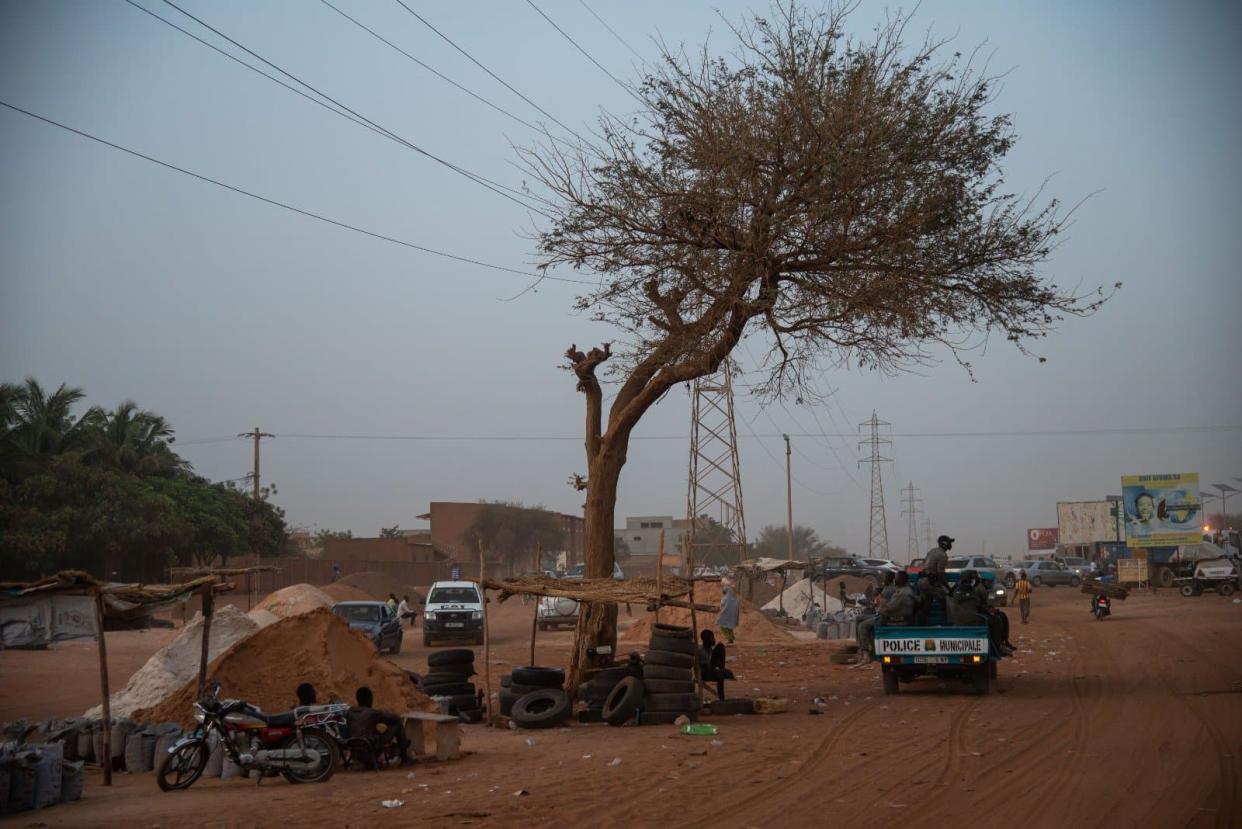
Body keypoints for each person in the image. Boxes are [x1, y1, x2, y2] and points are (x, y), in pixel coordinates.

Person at [348, 686, 412, 766]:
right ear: (369, 699)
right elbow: (395, 717)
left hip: (355, 750)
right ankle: (404, 757)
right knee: (397, 723)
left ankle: (401, 747)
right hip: (370, 748)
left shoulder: (350, 712)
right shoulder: (373, 713)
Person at [698, 629, 736, 699]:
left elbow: (713, 662)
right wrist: (718, 671)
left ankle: (722, 670)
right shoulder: (701, 651)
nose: (713, 640)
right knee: (720, 675)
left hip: (711, 668)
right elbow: (705, 668)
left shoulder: (709, 649)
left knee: (720, 646)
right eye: (712, 638)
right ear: (706, 640)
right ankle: (722, 698)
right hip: (705, 673)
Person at [717, 578, 740, 644]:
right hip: (731, 611)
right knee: (728, 625)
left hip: (727, 611)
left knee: (722, 624)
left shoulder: (727, 594)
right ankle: (731, 638)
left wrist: (722, 610)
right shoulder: (731, 595)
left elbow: (724, 604)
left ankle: (729, 638)